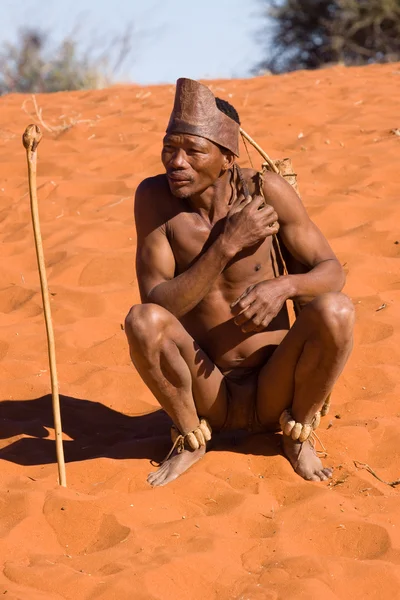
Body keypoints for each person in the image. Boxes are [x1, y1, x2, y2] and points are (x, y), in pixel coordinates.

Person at [125, 78, 354, 487]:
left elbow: (331, 271)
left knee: (336, 310)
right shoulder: (154, 200)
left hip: (276, 389)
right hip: (207, 396)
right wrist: (226, 245)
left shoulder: (266, 192)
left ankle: (298, 434)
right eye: (169, 149)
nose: (176, 162)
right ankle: (190, 439)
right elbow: (158, 305)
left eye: (193, 151)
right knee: (141, 321)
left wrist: (283, 287)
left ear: (227, 157)